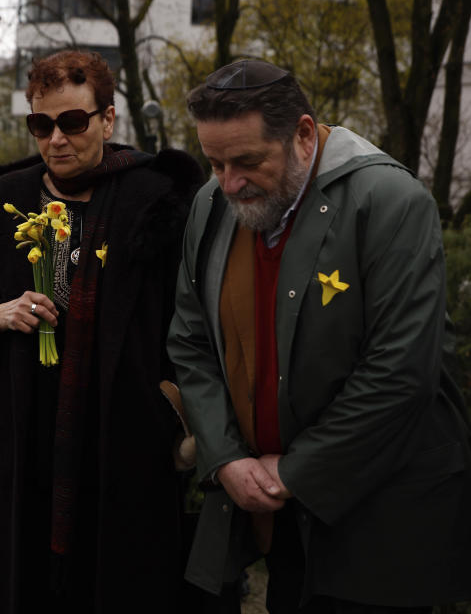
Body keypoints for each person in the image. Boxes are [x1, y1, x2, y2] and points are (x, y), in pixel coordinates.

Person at [168, 59, 471, 613]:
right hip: (275, 514)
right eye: (214, 163)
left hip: (384, 520)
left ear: (304, 135)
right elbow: (190, 341)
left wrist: (294, 470)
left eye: (247, 161)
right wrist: (226, 457)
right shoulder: (210, 205)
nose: (229, 183)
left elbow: (402, 370)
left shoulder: (390, 201)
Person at [0, 49, 204, 612]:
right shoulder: (3, 202)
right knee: (28, 584)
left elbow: (191, 323)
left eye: (73, 122)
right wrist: (0, 312)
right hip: (23, 440)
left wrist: (174, 413)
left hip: (122, 438)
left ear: (108, 121)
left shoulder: (156, 201)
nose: (56, 138)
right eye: (42, 123)